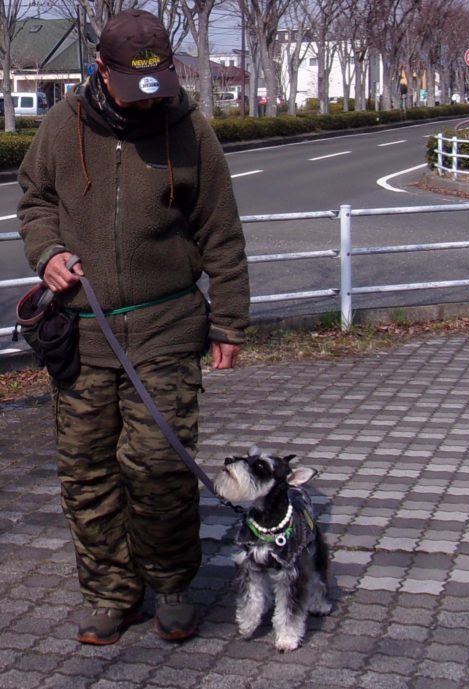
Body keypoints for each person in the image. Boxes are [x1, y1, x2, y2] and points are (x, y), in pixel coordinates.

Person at [17, 8, 249, 646]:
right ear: (101, 69)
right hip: (83, 334)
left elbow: (222, 232)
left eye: (157, 87)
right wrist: (47, 252)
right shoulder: (62, 126)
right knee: (87, 473)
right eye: (133, 88)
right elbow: (35, 200)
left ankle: (171, 584)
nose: (147, 102)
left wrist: (229, 322)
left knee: (158, 468)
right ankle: (111, 594)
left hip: (167, 328)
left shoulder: (190, 128)